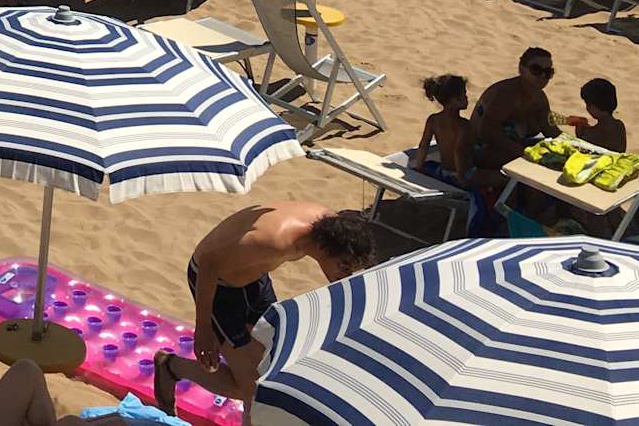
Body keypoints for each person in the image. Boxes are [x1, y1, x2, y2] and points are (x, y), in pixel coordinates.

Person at [152, 203, 376, 415]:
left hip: (255, 278)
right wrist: (203, 327)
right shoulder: (276, 240)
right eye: (343, 267)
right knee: (251, 390)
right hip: (218, 286)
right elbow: (209, 262)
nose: (345, 276)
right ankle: (171, 367)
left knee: (273, 365)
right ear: (325, 248)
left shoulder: (329, 226)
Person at [469, 47, 560, 175]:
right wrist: (522, 153)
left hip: (510, 146)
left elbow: (550, 130)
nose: (543, 76)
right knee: (540, 165)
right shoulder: (507, 94)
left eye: (548, 72)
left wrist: (574, 145)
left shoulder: (539, 97)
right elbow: (487, 131)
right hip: (480, 150)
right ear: (521, 69)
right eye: (536, 70)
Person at [414, 74, 471, 181]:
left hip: (442, 171)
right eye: (463, 95)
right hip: (461, 173)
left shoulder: (433, 120)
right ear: (452, 100)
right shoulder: (463, 125)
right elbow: (459, 152)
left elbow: (423, 146)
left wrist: (418, 167)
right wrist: (461, 177)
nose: (466, 97)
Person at [568, 78, 626, 152]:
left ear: (595, 106)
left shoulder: (599, 132)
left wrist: (579, 128)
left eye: (588, 105)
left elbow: (584, 144)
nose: (587, 108)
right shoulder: (619, 125)